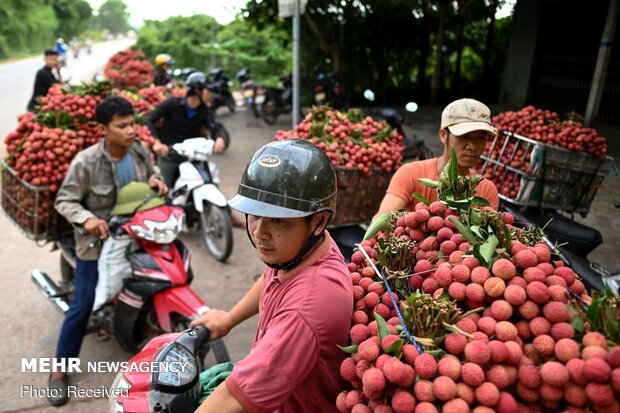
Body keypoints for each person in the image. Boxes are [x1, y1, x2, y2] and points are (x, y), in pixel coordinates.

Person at [191, 139, 353, 413]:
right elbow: (270, 277)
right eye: (255, 215)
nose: (259, 232)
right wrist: (228, 319)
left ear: (319, 220)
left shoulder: (306, 310)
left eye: (278, 220)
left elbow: (234, 397)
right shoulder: (303, 249)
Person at [48, 96, 167, 406]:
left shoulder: (139, 150)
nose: (131, 131)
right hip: (95, 243)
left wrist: (156, 181)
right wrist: (88, 218)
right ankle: (59, 369)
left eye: (133, 124)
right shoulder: (86, 162)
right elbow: (64, 201)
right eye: (122, 126)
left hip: (137, 233)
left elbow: (153, 171)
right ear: (104, 129)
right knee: (83, 303)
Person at [373, 98, 500, 221]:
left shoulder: (486, 190)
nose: (472, 146)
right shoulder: (410, 174)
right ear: (444, 135)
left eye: (481, 138)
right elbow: (381, 222)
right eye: (464, 137)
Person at [145, 71, 226, 189]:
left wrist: (219, 138)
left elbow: (213, 126)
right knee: (164, 189)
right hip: (169, 156)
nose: (211, 94)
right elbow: (149, 121)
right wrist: (157, 142)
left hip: (193, 157)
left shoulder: (205, 110)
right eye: (208, 90)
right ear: (198, 90)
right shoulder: (172, 103)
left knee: (209, 183)